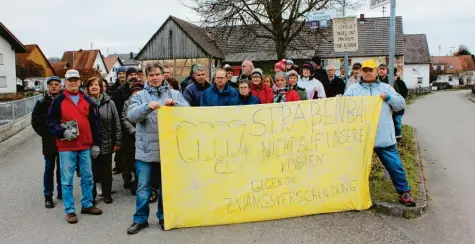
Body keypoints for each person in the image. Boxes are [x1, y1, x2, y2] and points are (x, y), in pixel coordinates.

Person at [126, 62, 189, 234]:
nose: (154, 78)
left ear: (163, 76)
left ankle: (163, 216)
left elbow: (188, 112)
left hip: (167, 150)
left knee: (165, 186)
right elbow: (131, 115)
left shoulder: (175, 93)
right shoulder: (139, 95)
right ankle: (140, 219)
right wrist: (147, 107)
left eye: (157, 74)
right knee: (143, 187)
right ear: (147, 77)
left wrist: (175, 104)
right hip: (145, 150)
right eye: (151, 75)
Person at [344, 60, 416, 207]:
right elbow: (344, 109)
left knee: (395, 165)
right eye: (365, 70)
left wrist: (388, 98)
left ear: (377, 71)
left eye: (371, 70)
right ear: (361, 72)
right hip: (361, 138)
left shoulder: (386, 88)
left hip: (383, 137)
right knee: (355, 167)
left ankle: (404, 192)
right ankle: (351, 193)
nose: (368, 72)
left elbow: (401, 104)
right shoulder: (353, 90)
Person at [47, 69, 103, 224]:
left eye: (75, 80)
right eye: (69, 80)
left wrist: (96, 144)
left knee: (88, 177)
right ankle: (70, 211)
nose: (72, 83)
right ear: (66, 82)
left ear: (79, 82)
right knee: (66, 180)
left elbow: (94, 124)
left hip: (85, 146)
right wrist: (62, 132)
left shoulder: (87, 100)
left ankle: (87, 204)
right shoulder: (58, 101)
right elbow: (50, 123)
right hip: (66, 148)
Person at [84, 77, 122, 204]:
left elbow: (116, 122)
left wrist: (117, 141)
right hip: (90, 143)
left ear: (101, 87)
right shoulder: (84, 102)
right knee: (92, 172)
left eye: (96, 85)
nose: (94, 87)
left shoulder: (109, 102)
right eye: (91, 85)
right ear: (88, 88)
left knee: (106, 171)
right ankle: (92, 196)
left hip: (107, 142)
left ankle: (107, 194)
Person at [32, 76, 63, 209]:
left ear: (60, 86)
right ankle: (48, 196)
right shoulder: (41, 103)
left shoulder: (64, 101)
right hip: (49, 142)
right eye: (51, 85)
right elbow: (35, 122)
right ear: (48, 87)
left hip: (63, 140)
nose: (54, 86)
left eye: (56, 84)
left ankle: (62, 192)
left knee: (62, 169)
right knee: (49, 168)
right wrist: (45, 134)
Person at [112, 67, 137, 181]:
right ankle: (127, 177)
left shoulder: (141, 88)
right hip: (124, 127)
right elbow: (117, 112)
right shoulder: (119, 91)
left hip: (138, 127)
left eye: (135, 74)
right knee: (126, 154)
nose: (133, 76)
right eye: (130, 74)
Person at [121, 81, 144, 196]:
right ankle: (129, 178)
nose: (137, 93)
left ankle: (142, 180)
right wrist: (133, 131)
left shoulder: (146, 102)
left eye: (139, 90)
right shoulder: (127, 103)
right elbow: (124, 118)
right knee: (130, 158)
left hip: (144, 134)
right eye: (135, 90)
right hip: (131, 135)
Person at [383, 68, 408, 142]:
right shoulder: (386, 83)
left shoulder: (400, 82)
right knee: (390, 122)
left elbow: (404, 92)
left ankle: (398, 137)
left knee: (397, 122)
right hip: (389, 106)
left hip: (398, 108)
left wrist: (398, 100)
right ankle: (391, 137)